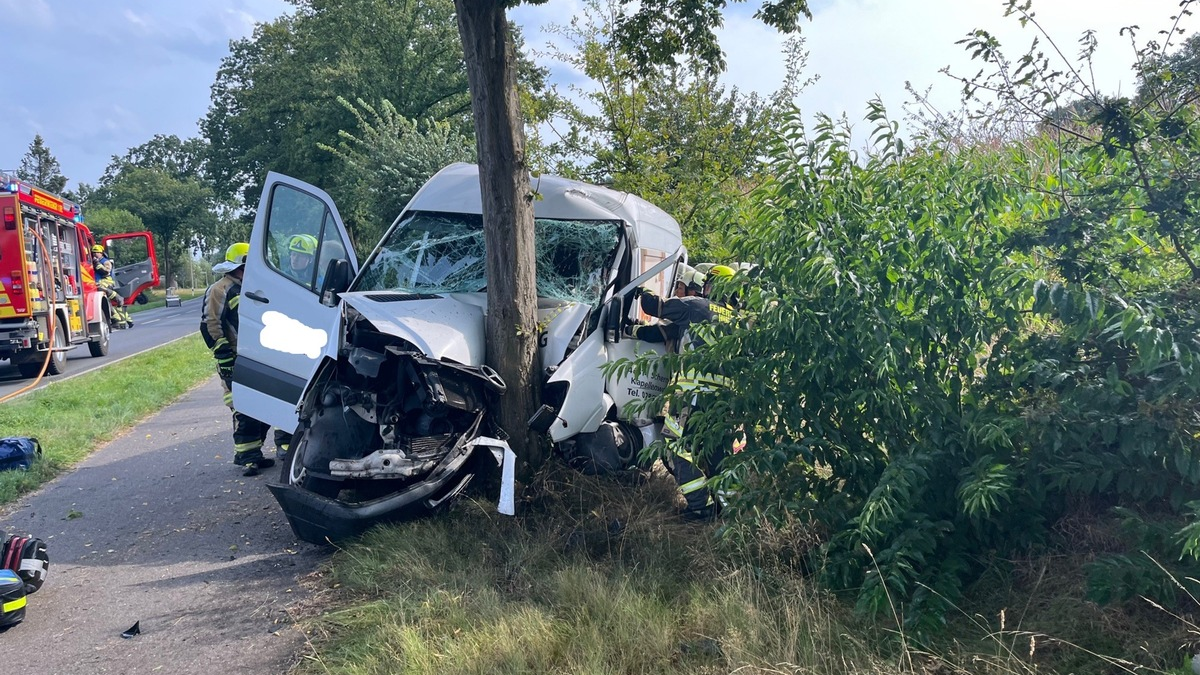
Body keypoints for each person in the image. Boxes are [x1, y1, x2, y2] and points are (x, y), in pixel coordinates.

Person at [627, 264, 738, 519]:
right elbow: (664, 332)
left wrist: (642, 287)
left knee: (674, 445)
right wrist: (634, 331)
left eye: (708, 285)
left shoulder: (695, 306)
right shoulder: (739, 322)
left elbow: (655, 307)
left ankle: (700, 506)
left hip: (691, 397)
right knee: (719, 452)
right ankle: (729, 509)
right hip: (725, 403)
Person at [200, 242, 292, 476]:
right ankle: (247, 457)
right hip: (237, 359)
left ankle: (258, 453)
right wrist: (224, 359)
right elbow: (211, 325)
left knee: (269, 404)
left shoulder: (253, 287)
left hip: (261, 357)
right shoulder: (220, 289)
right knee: (244, 407)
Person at [91, 244, 133, 328]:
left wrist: (97, 264)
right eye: (94, 252)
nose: (95, 254)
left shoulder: (106, 262)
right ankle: (124, 321)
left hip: (106, 283)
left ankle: (119, 321)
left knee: (108, 295)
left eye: (97, 252)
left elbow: (106, 272)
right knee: (111, 303)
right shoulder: (93, 261)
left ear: (101, 253)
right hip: (98, 282)